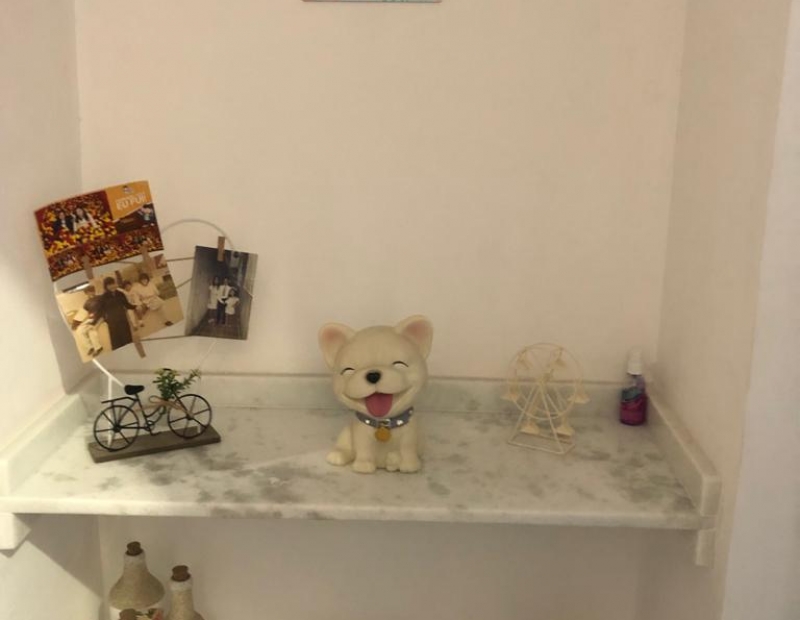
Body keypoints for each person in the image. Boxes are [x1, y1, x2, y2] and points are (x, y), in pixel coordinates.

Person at [100, 277, 136, 350]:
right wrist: (106, 320)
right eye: (109, 285)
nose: (112, 286)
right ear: (106, 286)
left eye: (113, 283)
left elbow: (126, 304)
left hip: (123, 320)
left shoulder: (120, 294)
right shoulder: (103, 297)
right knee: (117, 343)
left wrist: (135, 307)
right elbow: (101, 310)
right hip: (113, 323)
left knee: (127, 340)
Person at [72, 285, 104, 357]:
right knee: (79, 331)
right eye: (88, 292)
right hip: (90, 319)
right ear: (86, 293)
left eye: (91, 291)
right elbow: (83, 313)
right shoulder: (87, 302)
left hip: (99, 317)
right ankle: (90, 347)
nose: (90, 293)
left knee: (91, 330)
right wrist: (78, 323)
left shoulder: (100, 298)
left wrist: (97, 321)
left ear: (94, 291)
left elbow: (103, 310)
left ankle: (98, 348)